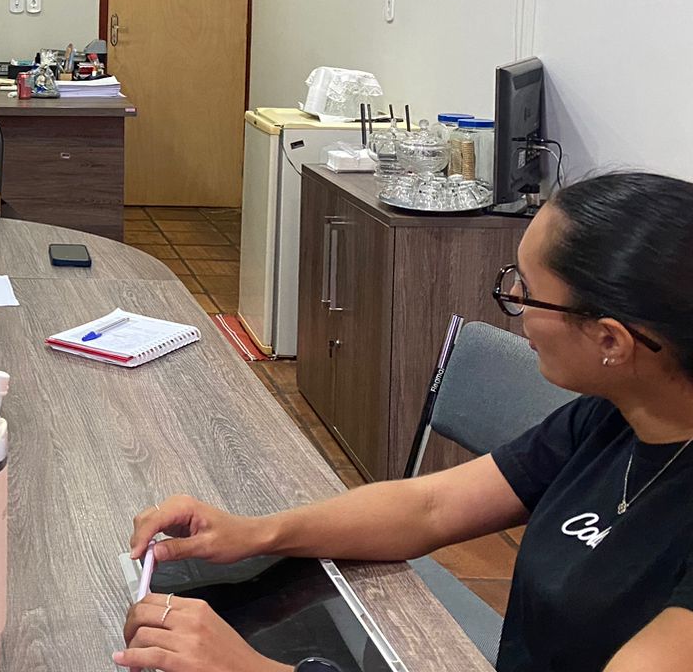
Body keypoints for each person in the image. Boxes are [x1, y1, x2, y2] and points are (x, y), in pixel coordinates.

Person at [116, 172, 693, 672]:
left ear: (611, 340)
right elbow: (430, 507)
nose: (513, 300)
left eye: (528, 291)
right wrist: (257, 534)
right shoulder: (612, 417)